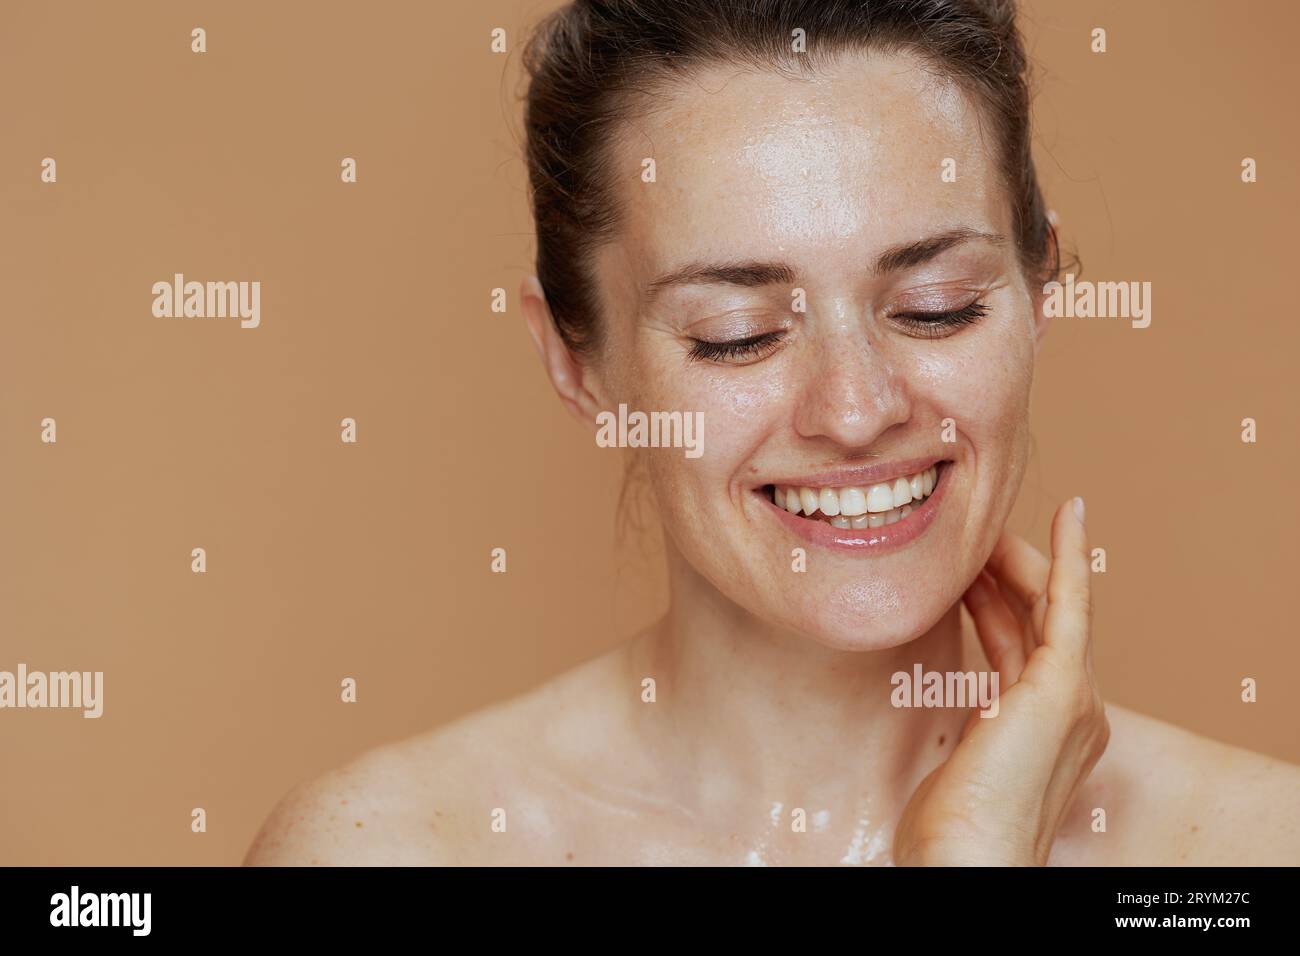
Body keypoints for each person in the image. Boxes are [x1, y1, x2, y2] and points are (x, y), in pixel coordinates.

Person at [245, 0, 1300, 866]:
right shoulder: (383, 849)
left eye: (935, 305)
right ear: (576, 359)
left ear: (1037, 287)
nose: (855, 407)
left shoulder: (1250, 851)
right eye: (735, 333)